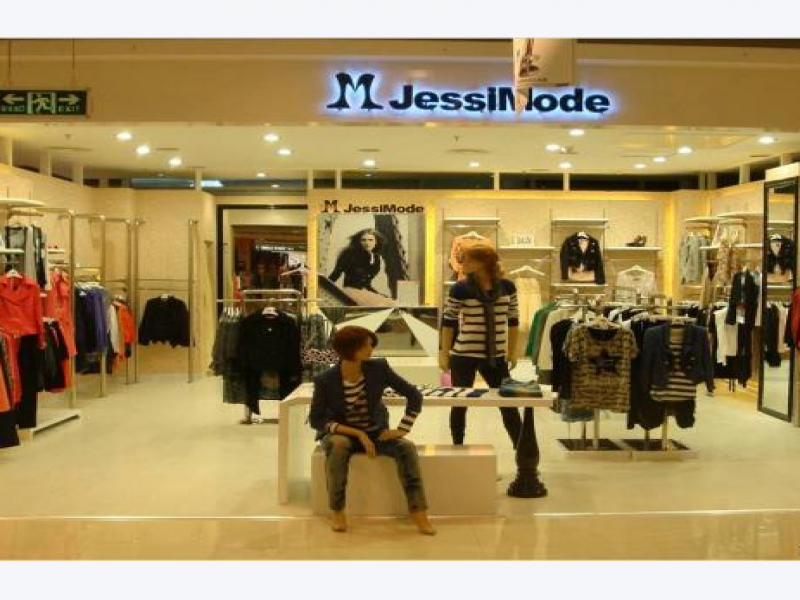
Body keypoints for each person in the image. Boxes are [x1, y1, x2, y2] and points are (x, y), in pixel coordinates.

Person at [309, 325, 435, 535]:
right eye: (367, 345)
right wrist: (358, 434)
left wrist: (403, 429)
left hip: (375, 431)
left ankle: (418, 512)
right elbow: (316, 419)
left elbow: (414, 395)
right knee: (338, 446)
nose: (371, 349)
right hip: (343, 433)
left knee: (406, 448)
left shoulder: (378, 368)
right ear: (351, 349)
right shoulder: (325, 380)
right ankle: (337, 510)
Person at [439, 245, 523, 446]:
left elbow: (513, 321)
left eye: (467, 259)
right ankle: (457, 448)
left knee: (508, 404)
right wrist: (443, 353)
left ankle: (522, 451)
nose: (462, 263)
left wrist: (512, 352)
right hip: (464, 355)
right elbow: (448, 322)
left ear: (483, 262)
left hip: (496, 357)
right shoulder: (460, 288)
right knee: (460, 404)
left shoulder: (507, 287)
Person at [328, 228, 393, 306]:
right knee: (381, 305)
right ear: (359, 241)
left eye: (370, 240)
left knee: (391, 303)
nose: (367, 243)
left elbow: (367, 284)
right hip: (350, 291)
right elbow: (335, 274)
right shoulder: (349, 254)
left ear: (376, 242)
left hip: (364, 292)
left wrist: (379, 294)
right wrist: (322, 290)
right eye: (363, 240)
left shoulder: (376, 258)